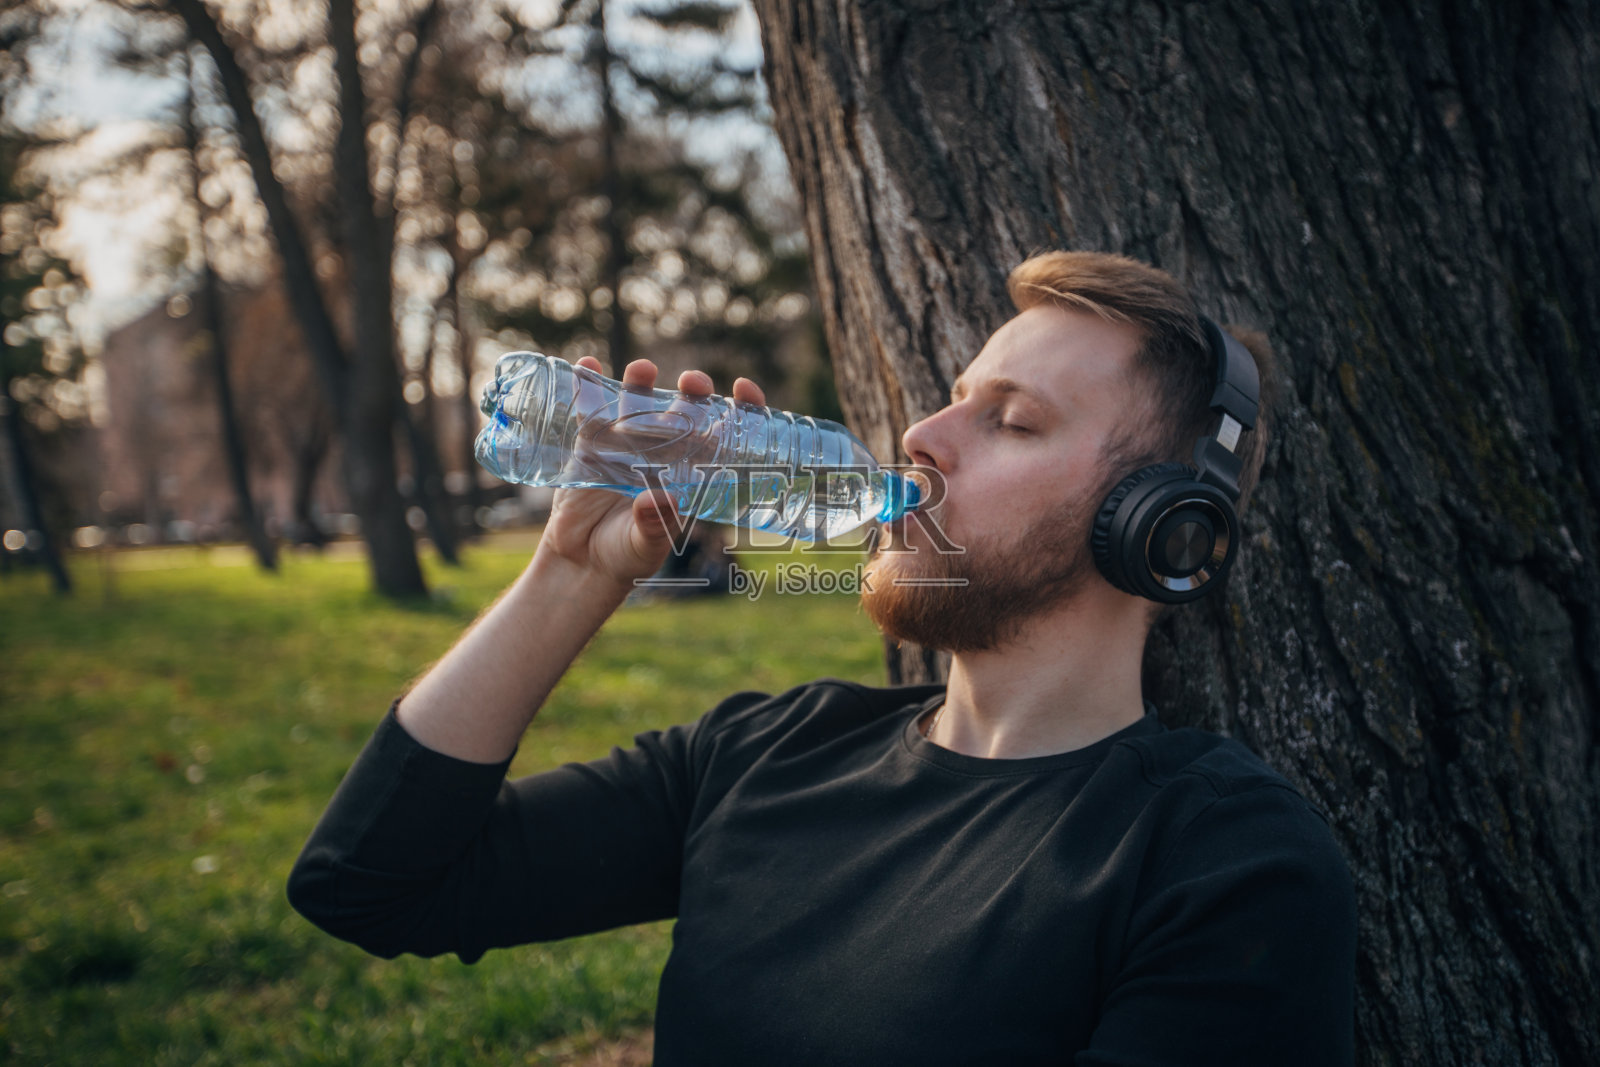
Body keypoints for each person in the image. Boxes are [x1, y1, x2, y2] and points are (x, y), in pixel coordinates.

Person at [288, 251, 1357, 1065]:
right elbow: (370, 884)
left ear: (1157, 526)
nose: (923, 434)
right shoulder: (765, 749)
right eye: (952, 394)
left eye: (1013, 421)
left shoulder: (1222, 861)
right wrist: (571, 572)